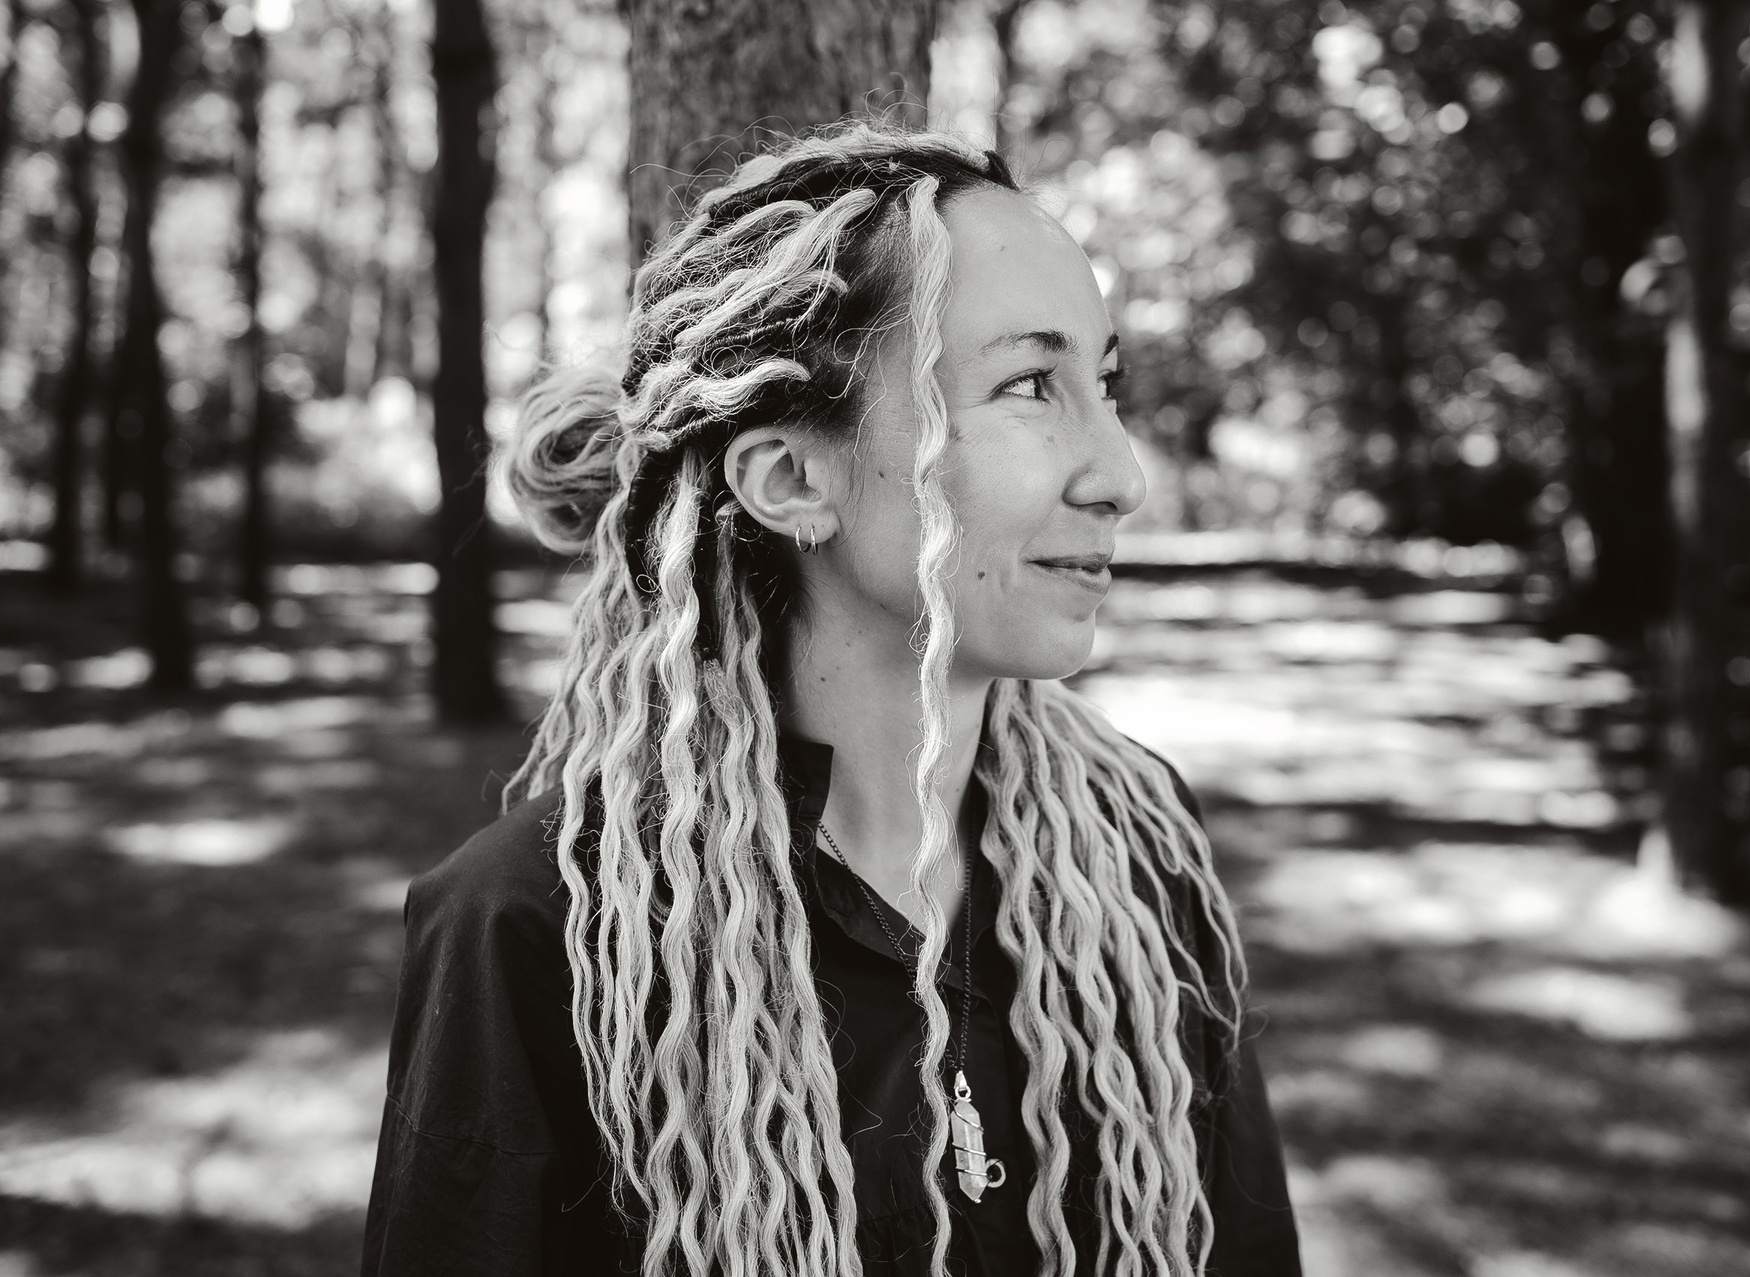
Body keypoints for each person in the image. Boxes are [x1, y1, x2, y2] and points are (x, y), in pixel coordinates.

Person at [361, 123, 1300, 1277]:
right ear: (793, 477)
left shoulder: (1137, 844)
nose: (1122, 475)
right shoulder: (538, 928)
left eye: (1102, 384)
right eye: (1029, 386)